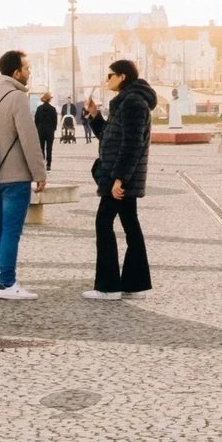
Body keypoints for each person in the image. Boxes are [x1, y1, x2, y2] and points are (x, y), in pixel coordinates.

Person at [0, 49, 48, 300]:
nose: (29, 73)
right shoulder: (17, 98)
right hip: (14, 176)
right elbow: (29, 138)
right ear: (16, 72)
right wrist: (40, 172)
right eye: (27, 69)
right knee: (10, 231)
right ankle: (8, 284)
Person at [84, 59, 155, 302]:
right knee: (130, 225)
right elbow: (109, 137)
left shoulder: (133, 102)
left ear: (122, 76)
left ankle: (108, 287)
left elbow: (133, 144)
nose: (107, 80)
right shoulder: (124, 101)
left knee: (103, 223)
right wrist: (94, 116)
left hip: (119, 177)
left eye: (110, 75)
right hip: (117, 175)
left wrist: (119, 179)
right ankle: (135, 285)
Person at [34, 92, 58, 170]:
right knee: (49, 148)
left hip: (40, 131)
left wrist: (38, 128)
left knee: (41, 147)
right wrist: (53, 129)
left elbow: (36, 120)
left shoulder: (39, 109)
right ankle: (48, 164)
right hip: (50, 132)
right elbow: (55, 121)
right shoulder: (53, 109)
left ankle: (41, 163)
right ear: (50, 100)